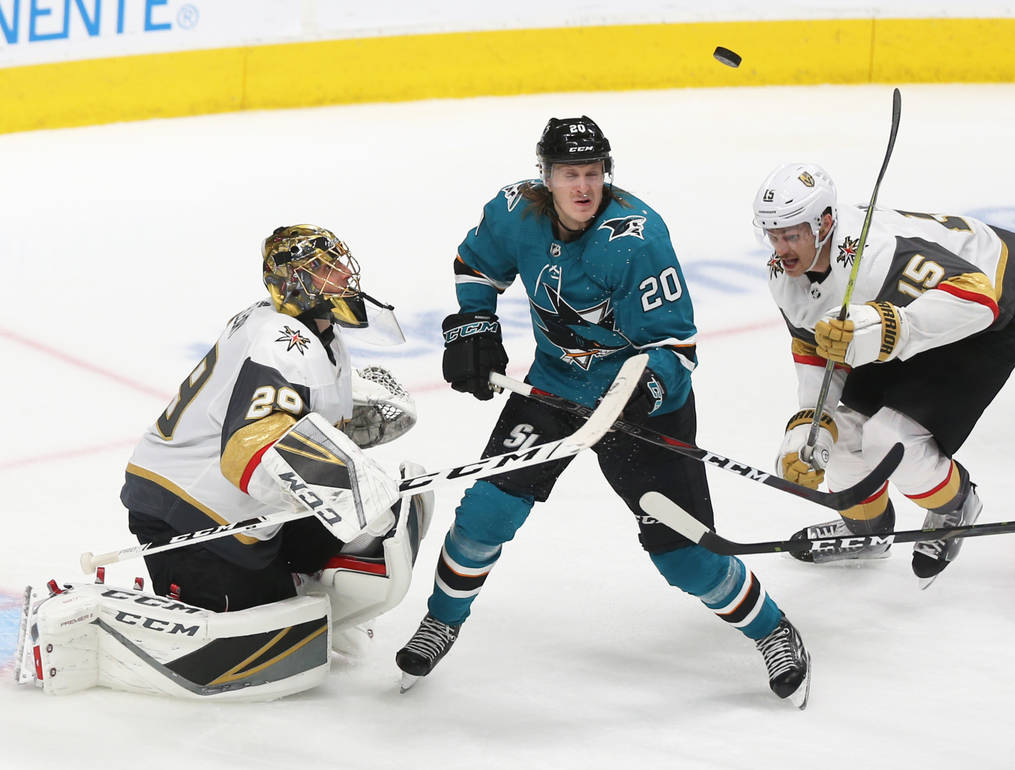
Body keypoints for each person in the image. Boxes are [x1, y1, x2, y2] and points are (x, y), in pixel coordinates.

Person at [395, 116, 811, 708]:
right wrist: (475, 323)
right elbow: (477, 264)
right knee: (485, 512)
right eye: (570, 175)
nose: (583, 187)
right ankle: (442, 621)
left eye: (593, 173)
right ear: (547, 177)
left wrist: (641, 397)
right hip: (553, 392)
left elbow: (677, 348)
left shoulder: (638, 237)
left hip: (639, 404)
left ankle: (773, 630)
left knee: (686, 560)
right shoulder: (517, 211)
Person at [16, 225, 433, 700]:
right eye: (321, 267)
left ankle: (292, 583)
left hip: (239, 504)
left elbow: (289, 414)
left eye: (337, 262)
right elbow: (250, 441)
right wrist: (349, 482)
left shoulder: (315, 333)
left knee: (375, 532)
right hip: (187, 505)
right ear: (291, 282)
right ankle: (90, 622)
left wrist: (352, 425)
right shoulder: (282, 339)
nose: (339, 274)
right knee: (272, 648)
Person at [752, 163, 1015, 584]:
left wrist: (887, 328)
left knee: (891, 439)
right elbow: (813, 346)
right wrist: (810, 426)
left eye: (792, 235)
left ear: (824, 223)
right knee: (842, 435)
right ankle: (866, 530)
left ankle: (954, 504)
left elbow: (980, 298)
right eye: (774, 235)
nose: (781, 249)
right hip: (893, 325)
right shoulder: (784, 275)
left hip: (977, 327)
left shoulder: (877, 255)